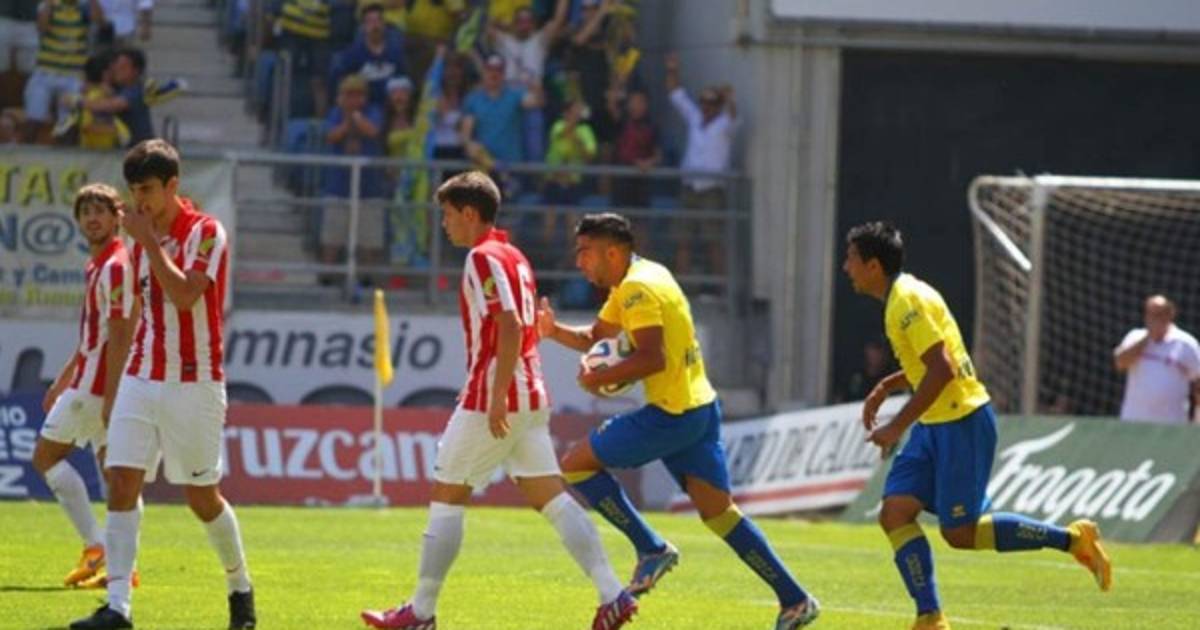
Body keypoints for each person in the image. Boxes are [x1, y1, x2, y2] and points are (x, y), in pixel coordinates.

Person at [360, 172, 636, 630]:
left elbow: (508, 324)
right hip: (531, 393)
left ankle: (420, 613)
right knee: (552, 499)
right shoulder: (514, 255)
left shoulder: (482, 257)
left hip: (497, 393)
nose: (444, 224)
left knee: (447, 495)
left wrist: (495, 398)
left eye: (448, 215)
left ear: (470, 213)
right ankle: (613, 594)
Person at [537, 212, 820, 630]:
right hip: (700, 408)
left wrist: (598, 379)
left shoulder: (637, 288)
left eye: (585, 252)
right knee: (720, 515)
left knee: (576, 465)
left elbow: (652, 358)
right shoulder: (644, 275)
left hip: (672, 415)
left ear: (612, 252)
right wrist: (552, 330)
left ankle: (651, 548)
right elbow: (598, 336)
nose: (578, 262)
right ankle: (795, 599)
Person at [842, 221, 1112, 630]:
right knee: (894, 512)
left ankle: (1074, 540)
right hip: (934, 424)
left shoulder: (907, 301)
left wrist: (895, 426)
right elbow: (934, 361)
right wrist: (886, 386)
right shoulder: (903, 295)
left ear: (873, 266)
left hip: (961, 421)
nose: (846, 267)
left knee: (961, 534)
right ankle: (930, 617)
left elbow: (942, 370)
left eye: (851, 259)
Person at [69, 140, 256, 630]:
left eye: (148, 190)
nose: (141, 200)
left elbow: (186, 295)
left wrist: (149, 241)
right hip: (142, 374)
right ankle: (118, 606)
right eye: (134, 191)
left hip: (195, 382)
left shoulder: (206, 232)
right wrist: (115, 386)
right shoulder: (137, 237)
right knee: (121, 479)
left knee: (202, 498)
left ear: (173, 185)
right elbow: (132, 310)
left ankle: (240, 588)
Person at [32, 184, 136, 590]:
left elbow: (121, 333)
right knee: (118, 478)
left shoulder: (115, 267)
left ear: (116, 218)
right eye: (85, 212)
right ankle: (123, 566)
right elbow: (95, 336)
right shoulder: (99, 265)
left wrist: (111, 394)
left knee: (45, 459)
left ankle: (97, 547)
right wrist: (62, 379)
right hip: (92, 384)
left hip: (96, 389)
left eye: (100, 211)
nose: (92, 218)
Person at [664, 52, 738, 276]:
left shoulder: (725, 124)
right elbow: (676, 95)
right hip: (689, 187)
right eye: (703, 102)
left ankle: (719, 287)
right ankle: (683, 286)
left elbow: (733, 115)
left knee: (714, 241)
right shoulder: (695, 118)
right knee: (682, 240)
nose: (706, 106)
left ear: (718, 105)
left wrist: (729, 98)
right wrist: (672, 69)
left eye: (711, 103)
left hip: (711, 190)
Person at [24, 0, 104, 144]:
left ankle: (68, 156)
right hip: (45, 72)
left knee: (68, 123)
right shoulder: (49, 5)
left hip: (73, 75)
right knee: (34, 119)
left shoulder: (84, 7)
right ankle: (24, 154)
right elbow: (42, 27)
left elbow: (99, 21)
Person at [1113, 294, 1200, 424]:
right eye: (1150, 314)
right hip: (1134, 423)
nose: (1154, 319)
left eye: (1159, 314)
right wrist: (1148, 338)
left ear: (1170, 314)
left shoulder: (1186, 343)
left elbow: (1198, 382)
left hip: (1172, 425)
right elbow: (1120, 362)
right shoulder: (1135, 336)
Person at [83, 47, 153, 146]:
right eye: (117, 66)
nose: (117, 70)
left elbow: (113, 105)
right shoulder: (117, 88)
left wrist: (79, 102)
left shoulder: (137, 90)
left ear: (135, 71)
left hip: (140, 147)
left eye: (123, 68)